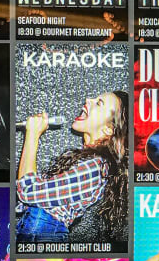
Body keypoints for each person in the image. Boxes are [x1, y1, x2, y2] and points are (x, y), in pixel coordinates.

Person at [16, 91, 129, 242]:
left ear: (108, 129)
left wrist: (32, 134)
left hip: (41, 233)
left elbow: (28, 192)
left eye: (99, 103)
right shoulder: (91, 162)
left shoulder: (95, 167)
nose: (88, 99)